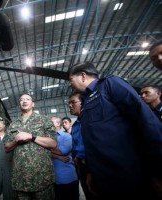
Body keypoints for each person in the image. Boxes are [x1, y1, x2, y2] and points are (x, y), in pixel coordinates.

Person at [68, 61, 162, 200]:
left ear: (83, 76)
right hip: (104, 178)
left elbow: (145, 121)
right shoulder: (86, 100)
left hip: (128, 175)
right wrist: (92, 173)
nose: (70, 84)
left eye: (71, 80)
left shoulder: (110, 84)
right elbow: (93, 141)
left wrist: (158, 171)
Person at [3, 93, 57, 200]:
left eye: (27, 99)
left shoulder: (44, 120)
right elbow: (6, 147)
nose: (24, 101)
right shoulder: (13, 124)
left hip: (42, 177)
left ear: (33, 104)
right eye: (21, 100)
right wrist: (16, 140)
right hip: (20, 178)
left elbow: (53, 144)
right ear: (19, 104)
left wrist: (31, 136)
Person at [68, 92, 96, 200]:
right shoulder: (75, 125)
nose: (70, 105)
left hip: (93, 165)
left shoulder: (91, 120)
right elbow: (78, 144)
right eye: (69, 103)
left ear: (83, 103)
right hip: (81, 165)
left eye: (73, 102)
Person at [50, 116, 79, 200]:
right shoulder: (47, 138)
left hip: (67, 177)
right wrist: (58, 157)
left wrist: (48, 149)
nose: (48, 124)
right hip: (54, 179)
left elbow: (63, 151)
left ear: (58, 124)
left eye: (51, 122)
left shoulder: (66, 137)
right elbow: (42, 153)